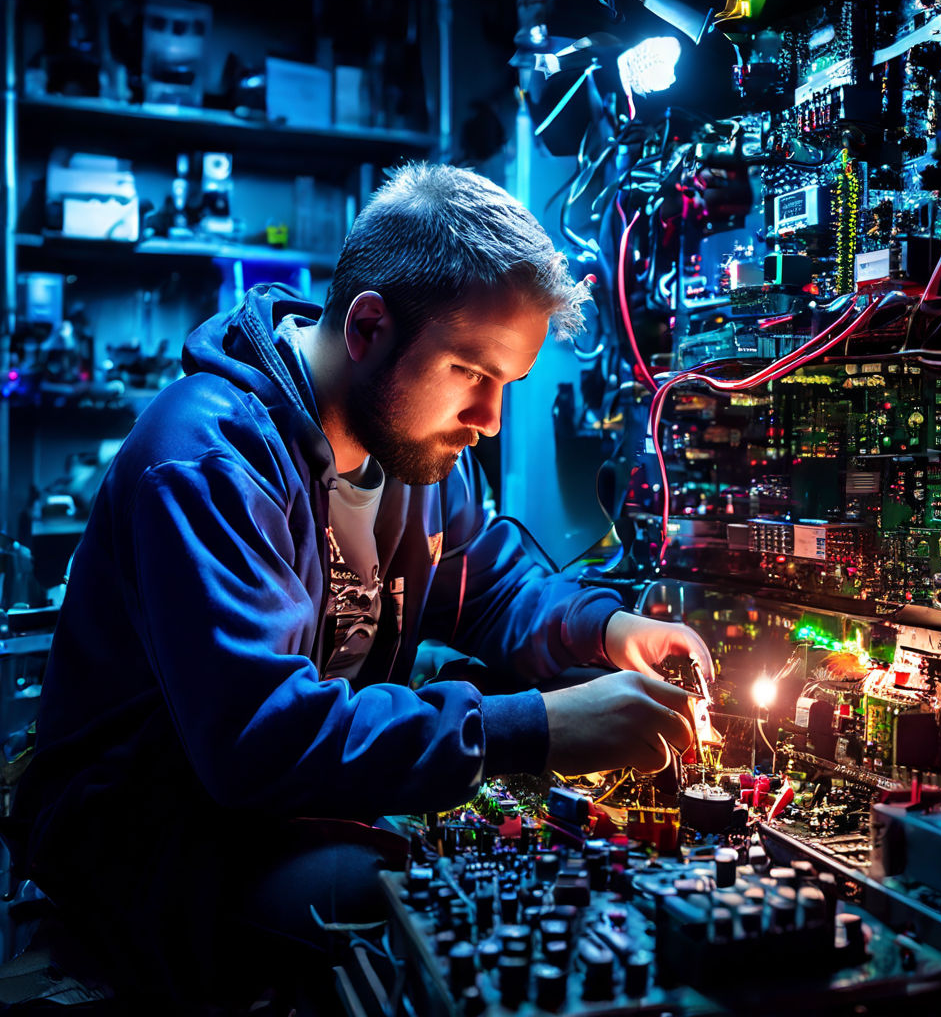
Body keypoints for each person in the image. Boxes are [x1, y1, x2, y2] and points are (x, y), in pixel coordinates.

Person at [7, 164, 714, 1009]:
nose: (488, 421)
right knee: (388, 904)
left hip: (273, 808)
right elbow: (255, 738)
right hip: (146, 840)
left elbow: (489, 588)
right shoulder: (205, 458)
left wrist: (605, 632)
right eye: (470, 373)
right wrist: (536, 730)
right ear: (369, 326)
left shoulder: (414, 454)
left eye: (507, 387)